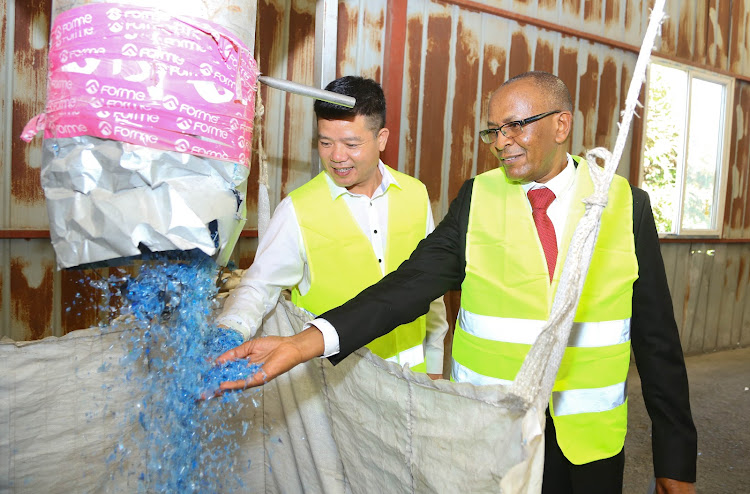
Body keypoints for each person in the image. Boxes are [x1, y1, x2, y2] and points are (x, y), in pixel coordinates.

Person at [217, 71, 697, 493]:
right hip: (493, 432)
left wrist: (675, 460)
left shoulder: (622, 204)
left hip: (590, 442)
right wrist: (305, 343)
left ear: (561, 124)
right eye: (495, 129)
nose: (502, 140)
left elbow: (657, 339)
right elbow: (408, 286)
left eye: (516, 126)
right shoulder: (478, 197)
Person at [215, 75, 449, 378]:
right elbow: (259, 286)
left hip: (410, 382)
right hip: (339, 390)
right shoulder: (297, 209)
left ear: (381, 139)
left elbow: (431, 290)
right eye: (325, 142)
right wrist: (230, 329)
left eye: (351, 144)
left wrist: (433, 365)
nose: (337, 157)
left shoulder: (415, 194)